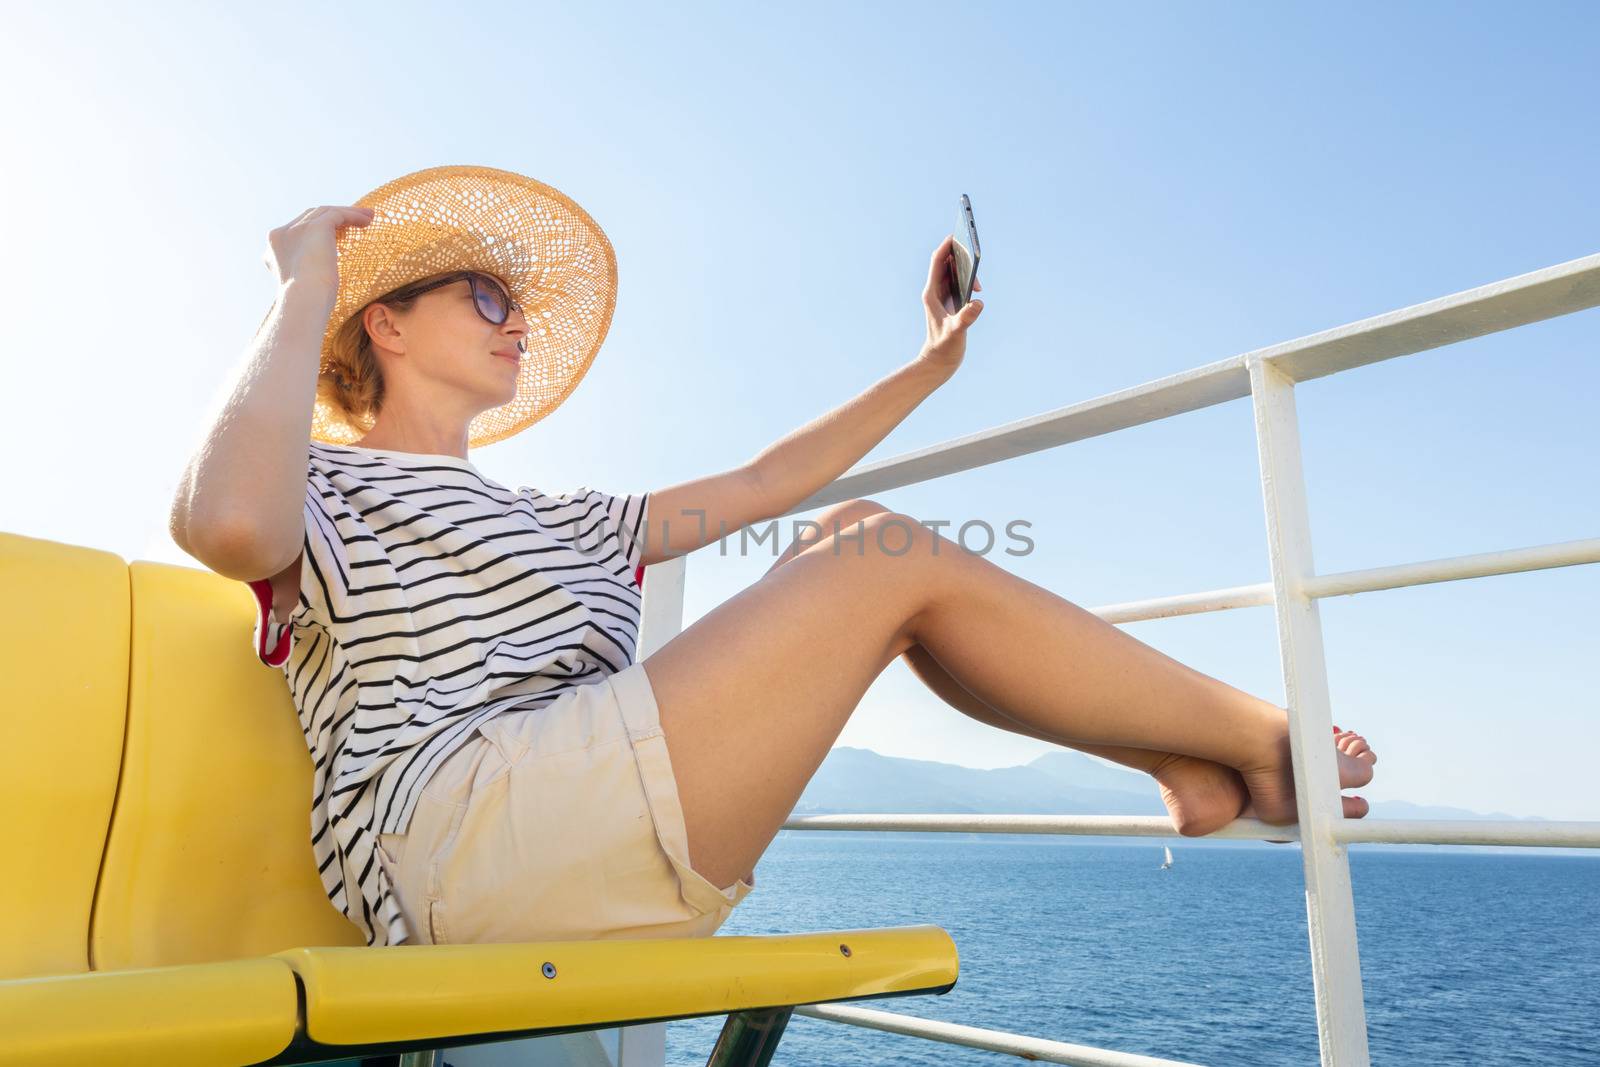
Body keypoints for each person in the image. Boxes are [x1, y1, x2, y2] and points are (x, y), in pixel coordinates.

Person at [171, 166, 1376, 949]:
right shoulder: (322, 484)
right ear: (383, 321)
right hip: (457, 844)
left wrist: (929, 366)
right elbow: (225, 525)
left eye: (517, 304)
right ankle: (1260, 736)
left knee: (849, 537)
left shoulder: (563, 514)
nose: (518, 320)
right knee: (876, 558)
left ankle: (1187, 761)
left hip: (563, 817)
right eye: (486, 297)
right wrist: (304, 283)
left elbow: (763, 484)